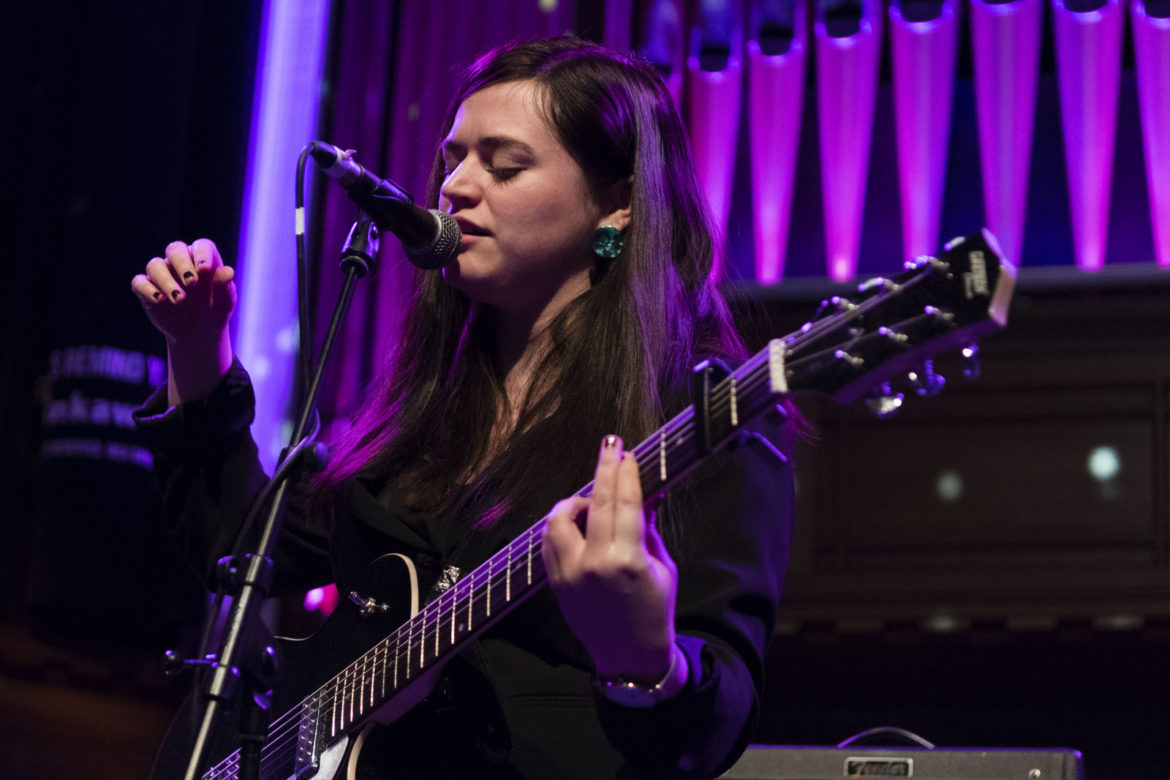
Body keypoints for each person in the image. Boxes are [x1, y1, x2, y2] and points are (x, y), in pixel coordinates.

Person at [131, 36, 794, 780]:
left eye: (504, 166)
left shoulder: (703, 421)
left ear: (619, 207)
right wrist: (196, 346)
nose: (455, 187)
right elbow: (235, 545)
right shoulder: (419, 415)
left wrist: (644, 658)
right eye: (453, 160)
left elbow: (717, 719)